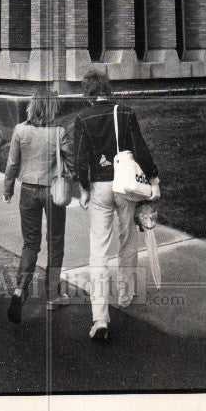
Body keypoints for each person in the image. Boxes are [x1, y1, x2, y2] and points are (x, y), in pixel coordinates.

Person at [74, 67, 159, 342]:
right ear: (107, 89)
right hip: (125, 186)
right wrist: (154, 179)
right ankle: (125, 294)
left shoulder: (82, 118)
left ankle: (99, 318)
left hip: (98, 187)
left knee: (98, 251)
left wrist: (84, 189)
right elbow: (141, 148)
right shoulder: (125, 112)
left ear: (87, 92)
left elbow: (79, 159)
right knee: (127, 239)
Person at [3, 92, 75, 324]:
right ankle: (52, 295)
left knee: (30, 243)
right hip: (53, 192)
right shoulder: (59, 132)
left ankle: (19, 289)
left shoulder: (20, 130)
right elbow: (71, 162)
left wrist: (8, 189)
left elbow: (12, 163)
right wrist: (70, 175)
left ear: (32, 107)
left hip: (28, 191)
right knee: (55, 241)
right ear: (53, 108)